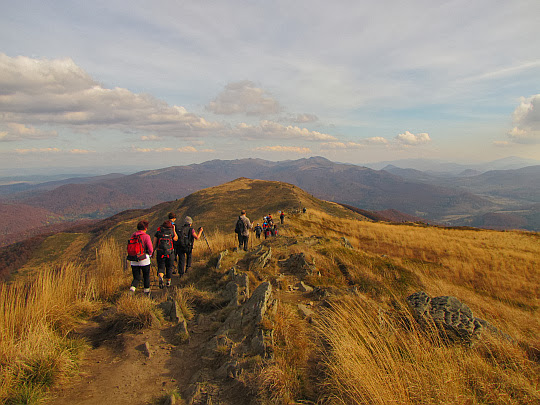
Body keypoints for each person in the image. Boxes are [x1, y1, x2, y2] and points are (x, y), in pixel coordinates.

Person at [128, 220, 154, 296]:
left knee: (136, 278)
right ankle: (146, 293)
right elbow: (150, 249)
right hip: (144, 260)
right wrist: (150, 255)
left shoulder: (133, 235)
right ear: (145, 228)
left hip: (133, 259)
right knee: (146, 276)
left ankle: (132, 290)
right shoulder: (146, 236)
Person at [153, 220, 178, 288]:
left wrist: (152, 252)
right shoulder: (171, 232)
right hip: (170, 253)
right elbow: (176, 238)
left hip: (160, 252)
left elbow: (154, 243)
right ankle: (168, 282)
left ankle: (161, 277)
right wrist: (174, 230)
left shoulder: (158, 232)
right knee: (169, 267)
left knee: (161, 267)